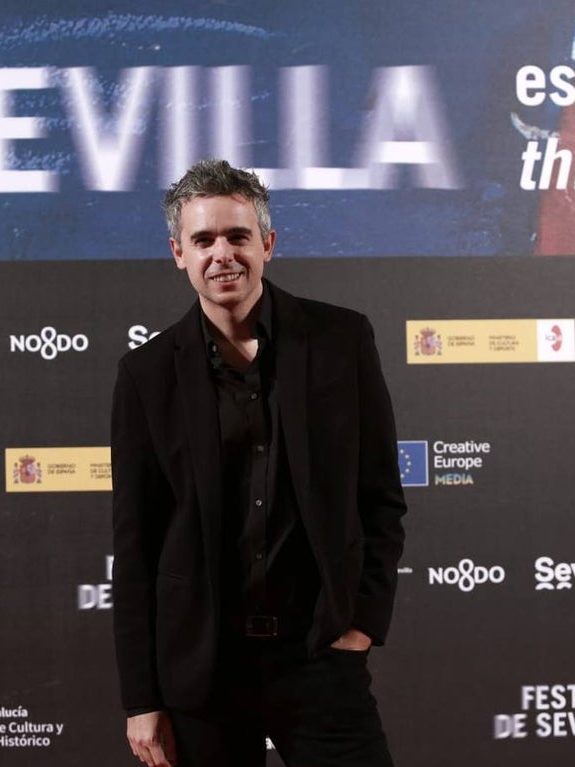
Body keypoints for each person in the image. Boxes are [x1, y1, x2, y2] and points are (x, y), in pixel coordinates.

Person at [111, 159, 406, 767]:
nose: (223, 254)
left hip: (321, 658)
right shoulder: (146, 374)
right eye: (204, 240)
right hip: (202, 669)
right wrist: (142, 698)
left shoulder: (340, 341)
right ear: (178, 254)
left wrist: (362, 624)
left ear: (267, 244)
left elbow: (380, 497)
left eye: (238, 236)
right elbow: (136, 545)